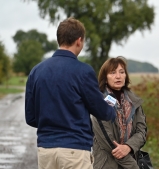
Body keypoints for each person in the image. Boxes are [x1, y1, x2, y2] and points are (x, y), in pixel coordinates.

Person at [25, 17, 116, 169]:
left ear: (59, 40)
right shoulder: (83, 71)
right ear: (79, 41)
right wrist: (112, 106)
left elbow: (31, 117)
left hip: (46, 150)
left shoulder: (36, 71)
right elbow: (101, 111)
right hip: (75, 150)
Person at [91, 56, 147, 169]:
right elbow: (109, 143)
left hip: (131, 156)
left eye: (122, 72)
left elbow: (142, 132)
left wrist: (128, 146)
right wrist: (133, 166)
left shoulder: (134, 102)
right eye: (112, 73)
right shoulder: (98, 102)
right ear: (105, 78)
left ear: (126, 76)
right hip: (107, 164)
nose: (118, 76)